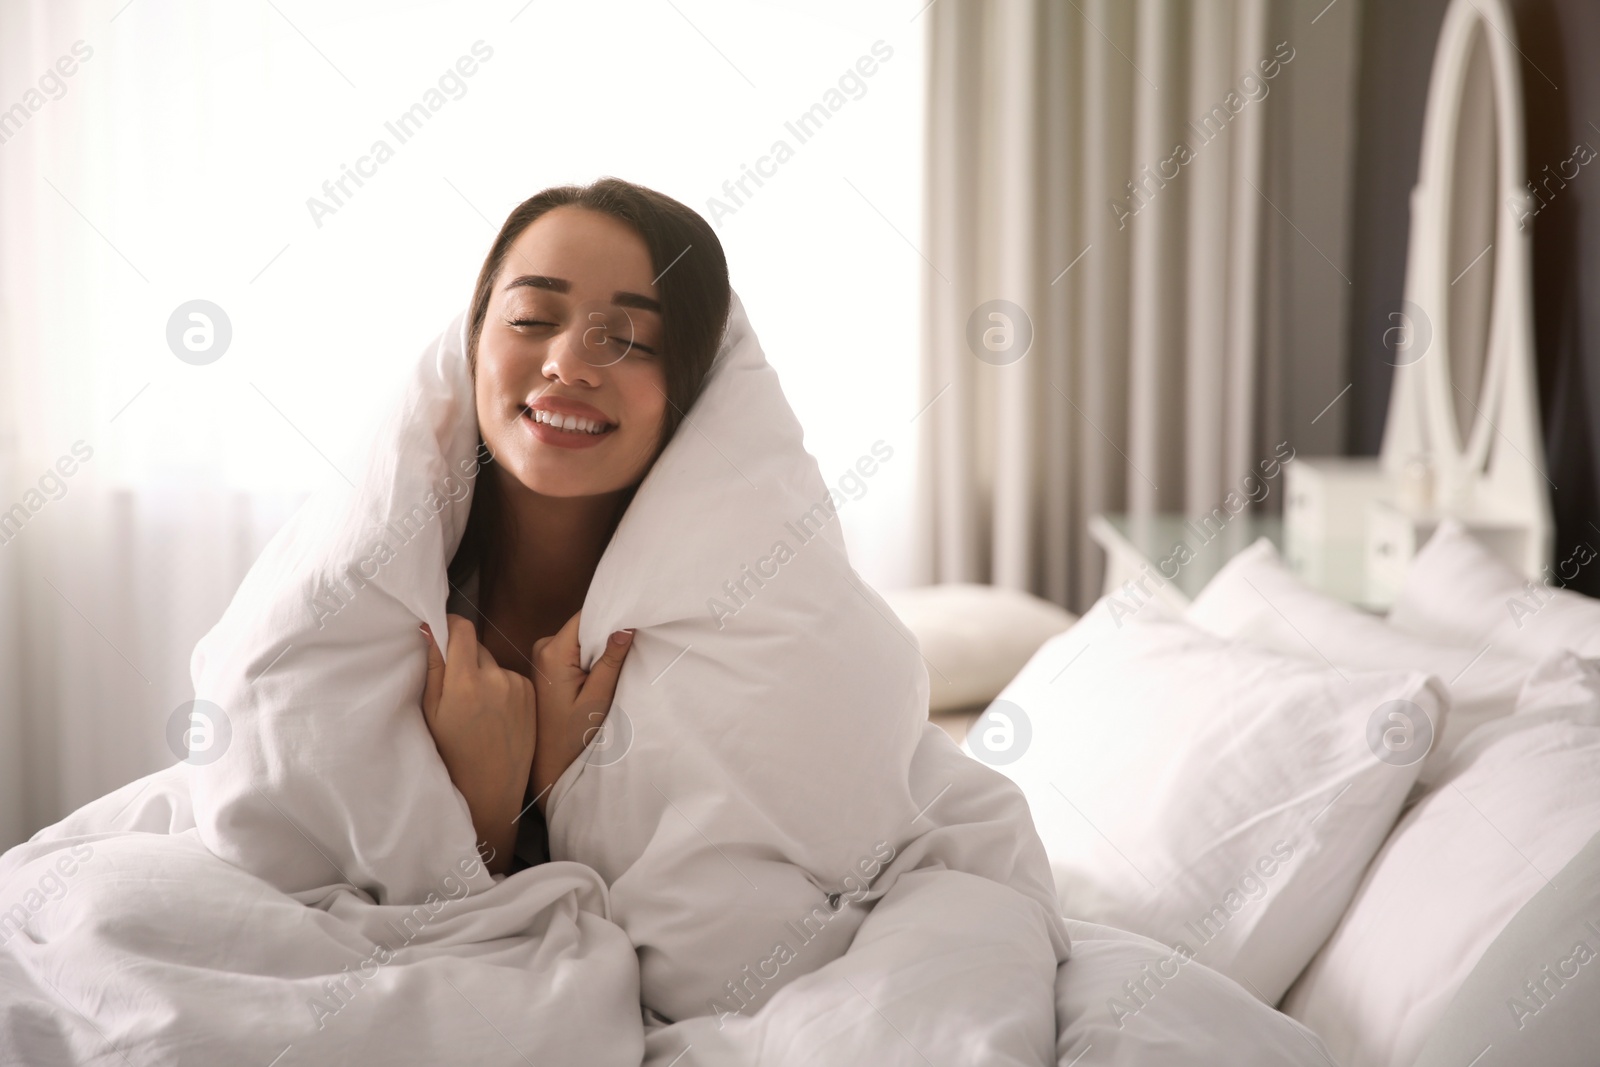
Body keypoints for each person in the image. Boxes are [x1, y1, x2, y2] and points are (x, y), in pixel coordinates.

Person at [419, 178, 731, 876]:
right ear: (474, 343)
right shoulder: (390, 593)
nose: (567, 364)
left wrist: (564, 791)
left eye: (631, 339)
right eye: (531, 318)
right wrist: (484, 807)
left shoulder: (716, 639)